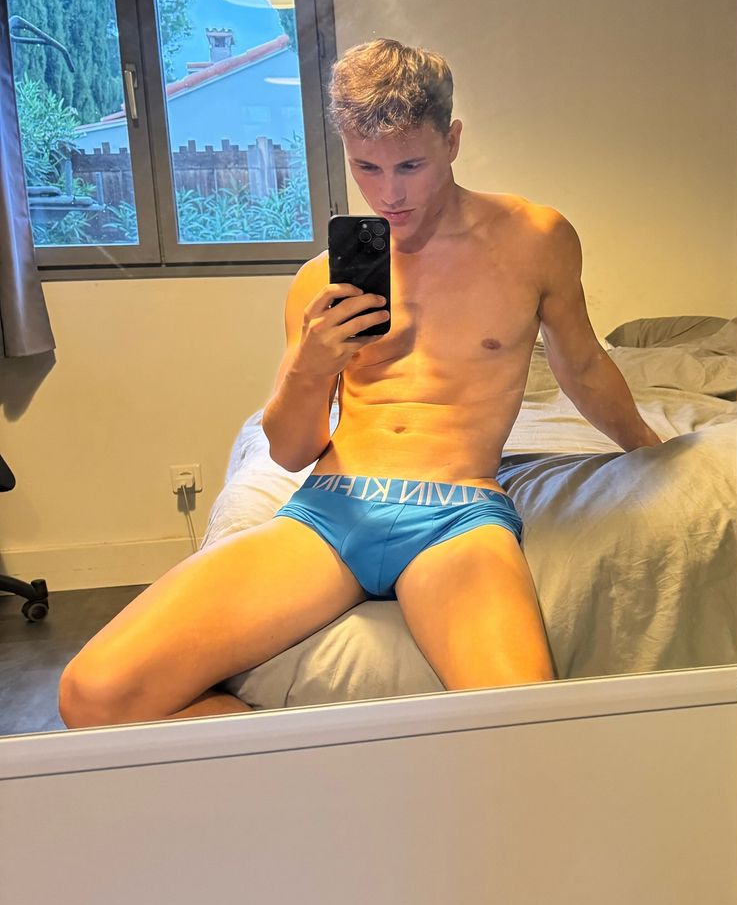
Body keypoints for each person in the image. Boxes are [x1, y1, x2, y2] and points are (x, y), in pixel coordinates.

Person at [59, 40, 662, 726]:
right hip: (330, 511)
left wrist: (652, 450)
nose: (389, 193)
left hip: (456, 515)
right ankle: (307, 768)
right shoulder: (320, 280)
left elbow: (582, 366)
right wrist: (310, 367)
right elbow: (290, 450)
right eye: (365, 167)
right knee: (90, 694)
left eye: (410, 165)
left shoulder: (535, 239)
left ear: (452, 141)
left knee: (522, 723)